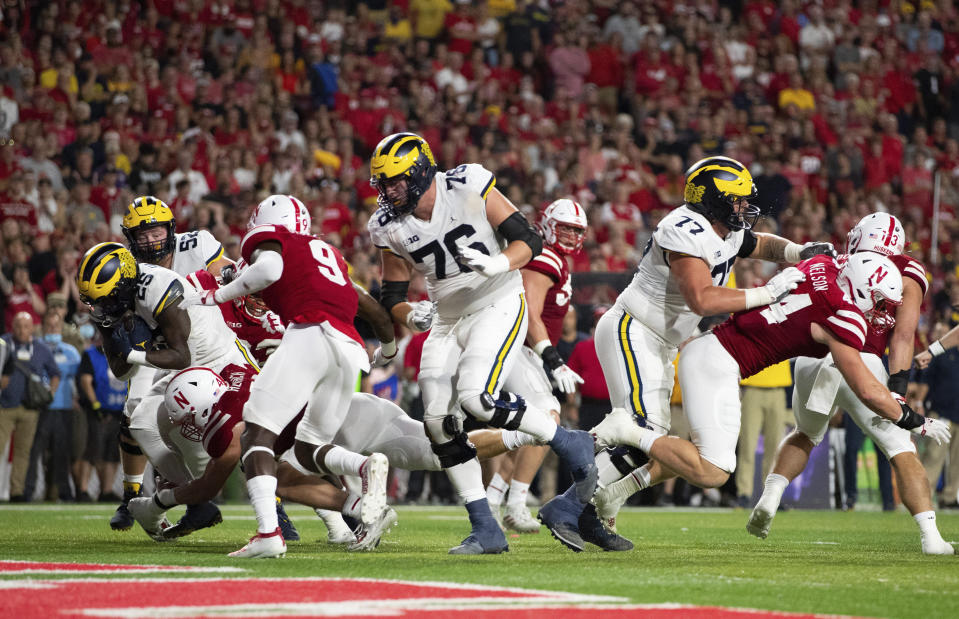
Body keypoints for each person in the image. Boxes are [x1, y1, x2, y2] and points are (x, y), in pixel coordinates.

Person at [540, 155, 834, 551]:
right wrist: (769, 292)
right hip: (634, 330)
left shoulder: (722, 228)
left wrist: (798, 252)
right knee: (642, 431)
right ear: (711, 199)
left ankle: (586, 511)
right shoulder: (683, 228)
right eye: (737, 200)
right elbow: (702, 299)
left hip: (660, 341)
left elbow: (759, 243)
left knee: (649, 437)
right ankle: (569, 504)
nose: (744, 208)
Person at [593, 253, 951, 548]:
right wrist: (914, 420)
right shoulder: (845, 317)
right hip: (718, 362)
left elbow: (808, 265)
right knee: (714, 470)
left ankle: (617, 491)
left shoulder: (822, 266)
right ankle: (628, 431)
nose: (878, 313)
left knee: (702, 454)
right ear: (860, 288)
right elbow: (868, 390)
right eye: (877, 301)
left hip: (713, 353)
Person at [366, 133, 598, 555]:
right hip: (447, 318)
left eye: (397, 181)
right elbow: (392, 297)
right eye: (383, 183)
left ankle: (567, 441)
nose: (389, 191)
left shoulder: (467, 184)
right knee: (438, 424)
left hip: (498, 299)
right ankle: (485, 527)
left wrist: (497, 262)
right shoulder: (387, 225)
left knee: (477, 398)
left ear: (420, 170)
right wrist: (410, 315)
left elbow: (528, 238)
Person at [188, 194, 395, 559]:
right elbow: (374, 310)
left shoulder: (270, 239)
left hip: (311, 332)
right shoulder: (328, 253)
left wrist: (217, 295)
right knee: (309, 448)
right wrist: (389, 351)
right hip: (350, 348)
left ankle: (269, 533)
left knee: (256, 431)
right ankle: (365, 466)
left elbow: (267, 271)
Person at [746, 213, 955, 555]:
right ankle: (931, 538)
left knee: (806, 433)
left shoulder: (832, 260)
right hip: (864, 361)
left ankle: (769, 498)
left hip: (811, 358)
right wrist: (898, 392)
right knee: (900, 447)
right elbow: (902, 337)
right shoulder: (907, 271)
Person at [76, 241, 245, 539]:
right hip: (179, 367)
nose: (103, 307)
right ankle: (197, 502)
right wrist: (123, 346)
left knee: (247, 436)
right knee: (140, 420)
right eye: (96, 300)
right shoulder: (108, 304)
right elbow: (121, 370)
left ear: (126, 281)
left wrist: (132, 351)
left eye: (108, 298)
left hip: (217, 358)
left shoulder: (157, 287)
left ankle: (287, 509)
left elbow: (182, 355)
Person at [107, 195, 234, 531]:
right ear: (131, 238)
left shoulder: (197, 243)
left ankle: (272, 504)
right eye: (143, 234)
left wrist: (229, 274)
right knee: (136, 411)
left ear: (172, 229)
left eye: (156, 231)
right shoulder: (128, 268)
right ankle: (133, 493)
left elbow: (225, 272)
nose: (151, 239)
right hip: (159, 346)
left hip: (210, 345)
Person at [489, 198, 588, 535]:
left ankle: (492, 499)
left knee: (529, 429)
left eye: (578, 230)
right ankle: (515, 503)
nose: (573, 236)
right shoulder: (545, 257)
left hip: (525, 350)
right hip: (520, 347)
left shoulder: (557, 259)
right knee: (547, 417)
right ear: (547, 225)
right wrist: (553, 358)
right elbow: (530, 312)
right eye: (566, 228)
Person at [0, 312, 60, 501]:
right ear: (12, 327)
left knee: (23, 451)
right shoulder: (3, 344)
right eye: (18, 326)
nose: (21, 330)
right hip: (4, 406)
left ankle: (17, 491)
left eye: (26, 326)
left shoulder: (41, 348)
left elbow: (55, 373)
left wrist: (50, 393)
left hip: (30, 408)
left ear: (32, 328)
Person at [23, 309, 80, 502]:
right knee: (34, 452)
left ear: (61, 328)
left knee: (61, 454)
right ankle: (27, 491)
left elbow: (77, 381)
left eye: (55, 326)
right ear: (42, 327)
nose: (52, 329)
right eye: (49, 326)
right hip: (39, 409)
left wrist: (76, 399)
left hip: (63, 409)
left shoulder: (71, 352)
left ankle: (63, 492)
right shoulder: (34, 349)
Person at [76, 333, 126, 502]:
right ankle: (82, 490)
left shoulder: (125, 355)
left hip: (119, 410)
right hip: (98, 411)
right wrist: (95, 405)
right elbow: (85, 381)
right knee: (93, 450)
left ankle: (106, 490)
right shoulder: (91, 355)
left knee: (113, 453)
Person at [914, 322, 959, 509]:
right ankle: (923, 497)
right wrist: (918, 403)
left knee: (958, 461)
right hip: (941, 412)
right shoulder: (942, 354)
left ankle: (949, 497)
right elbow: (926, 381)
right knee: (933, 456)